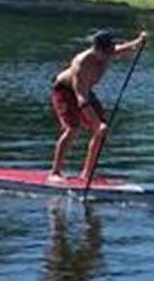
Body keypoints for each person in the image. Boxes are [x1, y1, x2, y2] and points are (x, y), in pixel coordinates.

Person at [49, 28, 146, 183]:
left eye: (110, 51)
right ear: (96, 49)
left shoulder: (108, 52)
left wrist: (139, 42)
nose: (108, 55)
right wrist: (97, 123)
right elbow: (81, 98)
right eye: (105, 52)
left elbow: (121, 49)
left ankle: (87, 174)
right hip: (66, 91)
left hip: (86, 92)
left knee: (101, 132)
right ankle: (55, 172)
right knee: (73, 129)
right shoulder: (81, 63)